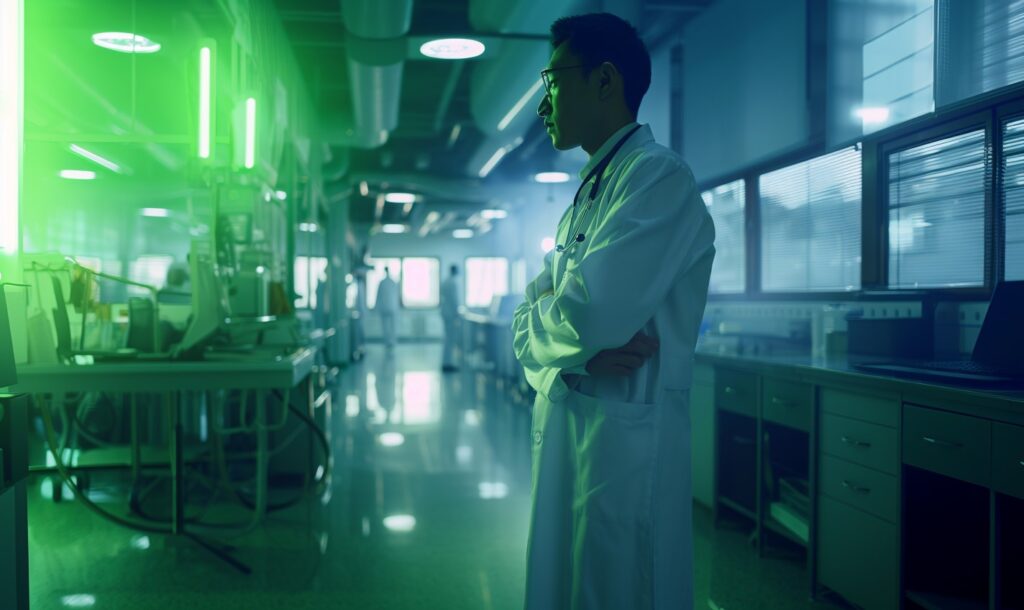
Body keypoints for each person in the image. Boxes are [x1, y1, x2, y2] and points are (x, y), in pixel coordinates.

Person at [511, 13, 716, 610]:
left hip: (627, 452)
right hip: (576, 438)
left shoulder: (656, 178)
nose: (543, 104)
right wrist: (570, 352)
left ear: (604, 80)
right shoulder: (587, 197)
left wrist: (560, 332)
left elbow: (586, 313)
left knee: (622, 587)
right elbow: (528, 323)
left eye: (552, 81)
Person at [439, 264, 462, 372]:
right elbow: (455, 300)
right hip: (451, 314)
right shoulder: (453, 283)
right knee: (450, 340)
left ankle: (446, 362)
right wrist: (457, 312)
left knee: (447, 339)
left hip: (445, 312)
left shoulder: (445, 281)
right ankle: (447, 364)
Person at [376, 266, 400, 350]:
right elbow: (397, 296)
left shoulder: (382, 283)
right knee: (393, 326)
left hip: (385, 307)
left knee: (385, 326)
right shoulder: (393, 282)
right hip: (392, 307)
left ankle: (387, 342)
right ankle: (392, 342)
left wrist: (377, 307)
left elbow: (378, 296)